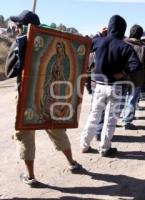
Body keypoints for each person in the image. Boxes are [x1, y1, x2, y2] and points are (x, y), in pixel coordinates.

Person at [5, 10, 81, 187]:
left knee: (24, 134)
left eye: (18, 25)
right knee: (55, 128)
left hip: (27, 96)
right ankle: (72, 163)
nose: (16, 28)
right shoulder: (52, 43)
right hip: (50, 95)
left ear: (23, 26)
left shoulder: (22, 42)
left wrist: (16, 46)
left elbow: (10, 71)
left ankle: (30, 176)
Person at [80, 15, 141, 157]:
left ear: (109, 27)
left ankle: (84, 145)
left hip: (99, 86)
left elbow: (87, 44)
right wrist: (123, 73)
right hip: (116, 87)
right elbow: (136, 65)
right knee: (111, 119)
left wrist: (99, 33)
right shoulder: (125, 46)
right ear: (123, 29)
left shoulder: (98, 41)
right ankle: (105, 148)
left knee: (93, 116)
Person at [122, 24, 145, 130]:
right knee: (132, 100)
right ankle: (126, 121)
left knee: (120, 99)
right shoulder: (144, 47)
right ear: (140, 34)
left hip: (121, 77)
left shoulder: (122, 43)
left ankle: (114, 118)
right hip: (137, 78)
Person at [86, 27, 108, 141]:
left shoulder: (94, 50)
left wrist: (88, 87)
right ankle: (98, 132)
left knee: (95, 109)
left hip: (96, 83)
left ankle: (94, 132)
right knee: (101, 109)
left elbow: (88, 71)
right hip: (103, 83)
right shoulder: (107, 47)